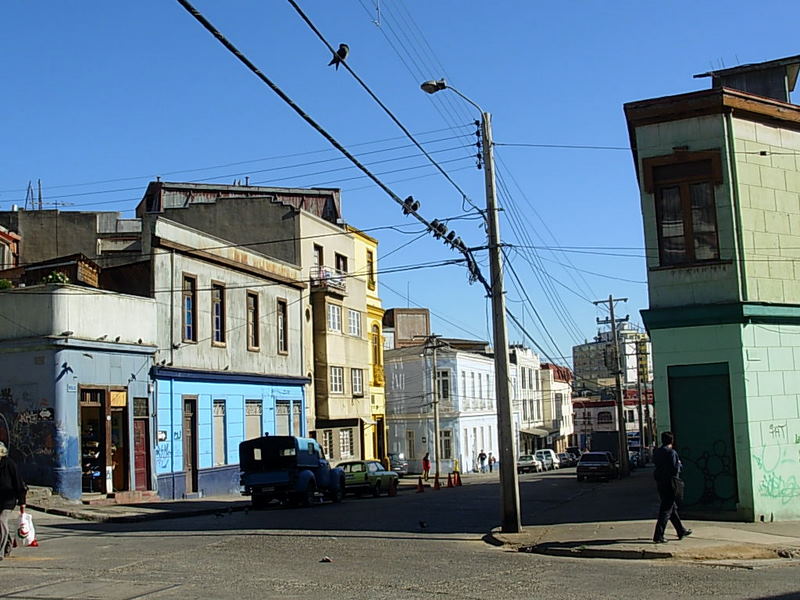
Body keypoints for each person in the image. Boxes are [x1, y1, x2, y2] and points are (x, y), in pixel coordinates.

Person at [652, 431, 692, 544]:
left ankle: (681, 530)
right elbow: (675, 469)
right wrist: (679, 464)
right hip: (671, 483)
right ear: (672, 441)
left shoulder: (657, 452)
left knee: (671, 508)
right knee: (666, 510)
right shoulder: (671, 452)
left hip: (661, 482)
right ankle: (658, 535)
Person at [0, 441, 27, 561]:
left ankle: (0, 552)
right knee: (1, 526)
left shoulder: (9, 464)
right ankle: (7, 544)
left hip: (8, 499)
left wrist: (22, 502)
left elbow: (18, 483)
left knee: (1, 521)